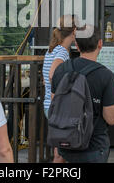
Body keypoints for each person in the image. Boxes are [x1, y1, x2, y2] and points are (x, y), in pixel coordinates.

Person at [51, 25, 114, 163]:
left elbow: (55, 105)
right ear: (100, 44)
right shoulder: (105, 76)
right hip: (93, 147)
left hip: (66, 144)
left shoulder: (61, 70)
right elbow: (111, 118)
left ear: (76, 45)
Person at [42, 15, 77, 163]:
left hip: (49, 105)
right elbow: (51, 75)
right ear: (74, 31)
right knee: (61, 154)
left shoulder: (51, 50)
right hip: (58, 107)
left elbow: (46, 79)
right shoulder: (62, 52)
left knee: (60, 150)